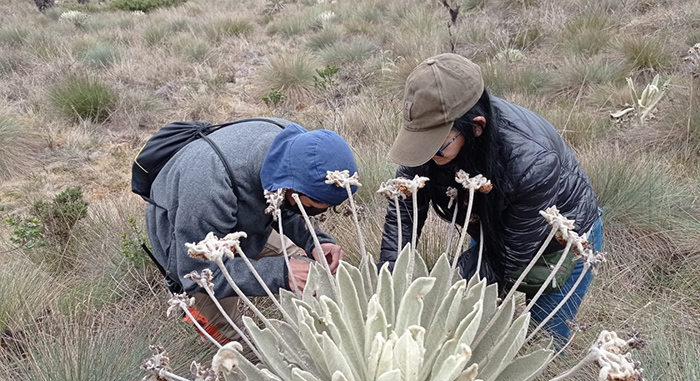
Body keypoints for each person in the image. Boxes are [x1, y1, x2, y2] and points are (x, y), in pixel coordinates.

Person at [379, 53, 602, 343]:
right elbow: (404, 211)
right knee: (476, 329)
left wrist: (441, 294)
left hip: (561, 243)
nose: (427, 157)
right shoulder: (436, 133)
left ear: (476, 127)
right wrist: (393, 284)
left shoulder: (532, 162)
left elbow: (508, 259)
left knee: (541, 341)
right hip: (491, 228)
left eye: (436, 148)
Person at [145, 119, 358, 342]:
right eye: (310, 208)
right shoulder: (208, 185)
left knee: (310, 268)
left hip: (248, 222)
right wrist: (282, 273)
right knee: (241, 348)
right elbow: (199, 274)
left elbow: (284, 206)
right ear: (292, 187)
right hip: (192, 248)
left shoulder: (292, 146)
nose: (311, 213)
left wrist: (315, 241)